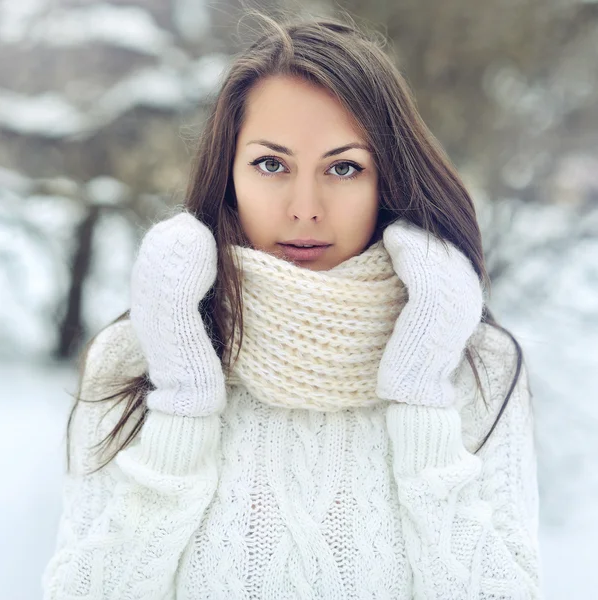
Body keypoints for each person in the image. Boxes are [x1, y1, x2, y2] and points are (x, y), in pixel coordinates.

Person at [42, 11, 543, 599]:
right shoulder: (134, 358)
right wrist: (181, 407)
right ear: (228, 175)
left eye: (344, 167)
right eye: (272, 164)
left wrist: (422, 399)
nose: (305, 207)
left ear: (389, 179)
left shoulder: (475, 363)